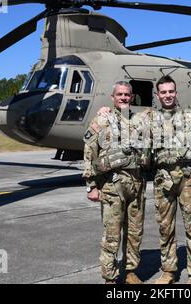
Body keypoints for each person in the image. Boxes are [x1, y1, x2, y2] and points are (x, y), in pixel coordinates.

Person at [82, 81, 151, 284]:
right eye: (119, 94)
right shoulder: (102, 119)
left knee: (134, 233)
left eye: (127, 95)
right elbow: (89, 151)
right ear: (112, 97)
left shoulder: (139, 120)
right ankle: (110, 278)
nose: (123, 97)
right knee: (112, 235)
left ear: (132, 97)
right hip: (113, 186)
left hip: (137, 184)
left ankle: (130, 272)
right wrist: (91, 186)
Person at [152, 75, 191, 284]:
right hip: (163, 181)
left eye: (171, 91)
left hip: (189, 179)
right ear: (157, 95)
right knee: (165, 228)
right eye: (163, 92)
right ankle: (169, 271)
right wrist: (105, 110)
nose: (167, 95)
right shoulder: (150, 120)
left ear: (176, 93)